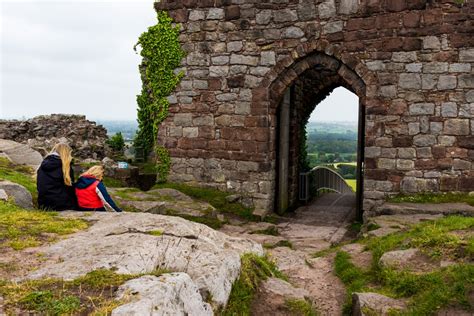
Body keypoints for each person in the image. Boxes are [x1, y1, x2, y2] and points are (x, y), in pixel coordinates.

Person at [37, 143, 78, 211]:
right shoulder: (65, 166)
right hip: (61, 204)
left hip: (44, 204)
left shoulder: (43, 164)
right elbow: (70, 188)